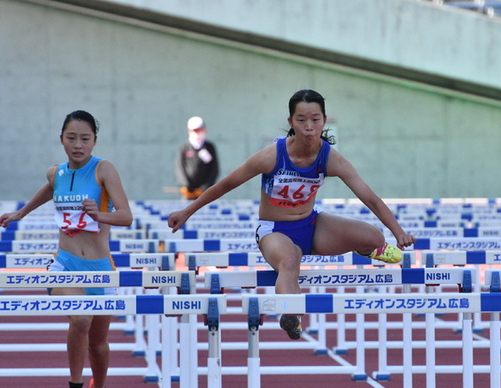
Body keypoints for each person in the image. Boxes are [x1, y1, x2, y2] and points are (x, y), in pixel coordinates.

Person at [167, 89, 417, 339]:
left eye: (315, 119)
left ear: (324, 121)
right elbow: (226, 184)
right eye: (301, 120)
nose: (309, 127)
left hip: (312, 224)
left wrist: (398, 232)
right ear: (291, 122)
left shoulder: (330, 158)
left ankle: (371, 248)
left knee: (373, 236)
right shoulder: (271, 156)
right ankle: (291, 313)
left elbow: (369, 197)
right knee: (289, 263)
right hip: (275, 230)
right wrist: (187, 211)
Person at [0, 110, 133, 388]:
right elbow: (52, 187)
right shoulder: (55, 172)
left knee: (97, 345)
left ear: (94, 141)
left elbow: (126, 217)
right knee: (81, 317)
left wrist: (100, 215)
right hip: (64, 264)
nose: (78, 144)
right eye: (71, 138)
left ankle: (100, 383)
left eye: (85, 138)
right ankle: (75, 383)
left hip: (100, 267)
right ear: (61, 139)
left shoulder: (103, 169)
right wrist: (21, 213)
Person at [175, 116, 219, 200]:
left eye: (200, 130)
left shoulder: (209, 147)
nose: (198, 133)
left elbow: (214, 169)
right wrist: (185, 185)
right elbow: (180, 167)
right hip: (188, 193)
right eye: (195, 130)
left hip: (205, 193)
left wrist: (205, 187)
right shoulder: (184, 147)